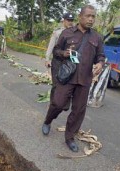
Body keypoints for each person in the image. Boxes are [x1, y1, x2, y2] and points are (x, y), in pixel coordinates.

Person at [41, 5, 105, 152]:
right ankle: (48, 120)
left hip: (84, 79)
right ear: (80, 16)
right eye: (88, 16)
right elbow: (56, 51)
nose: (90, 19)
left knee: (78, 110)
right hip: (67, 76)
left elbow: (101, 55)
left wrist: (100, 64)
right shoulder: (66, 33)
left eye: (93, 16)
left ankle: (69, 137)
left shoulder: (96, 37)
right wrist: (65, 53)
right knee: (58, 103)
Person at [45, 12, 75, 111]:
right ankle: (53, 103)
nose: (70, 22)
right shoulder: (57, 32)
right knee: (56, 83)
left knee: (68, 84)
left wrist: (76, 62)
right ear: (64, 21)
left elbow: (75, 49)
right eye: (68, 20)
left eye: (71, 20)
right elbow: (51, 46)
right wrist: (47, 59)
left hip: (69, 62)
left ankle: (65, 105)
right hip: (57, 61)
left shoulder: (76, 33)